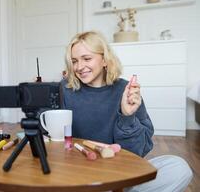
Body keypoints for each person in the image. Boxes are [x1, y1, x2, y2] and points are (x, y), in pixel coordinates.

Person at [61, 31, 193, 191]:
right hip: (81, 173)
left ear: (104, 60)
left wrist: (127, 117)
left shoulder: (126, 91)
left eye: (87, 58)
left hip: (120, 171)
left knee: (178, 168)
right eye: (74, 61)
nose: (79, 67)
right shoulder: (65, 89)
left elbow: (137, 153)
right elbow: (49, 138)